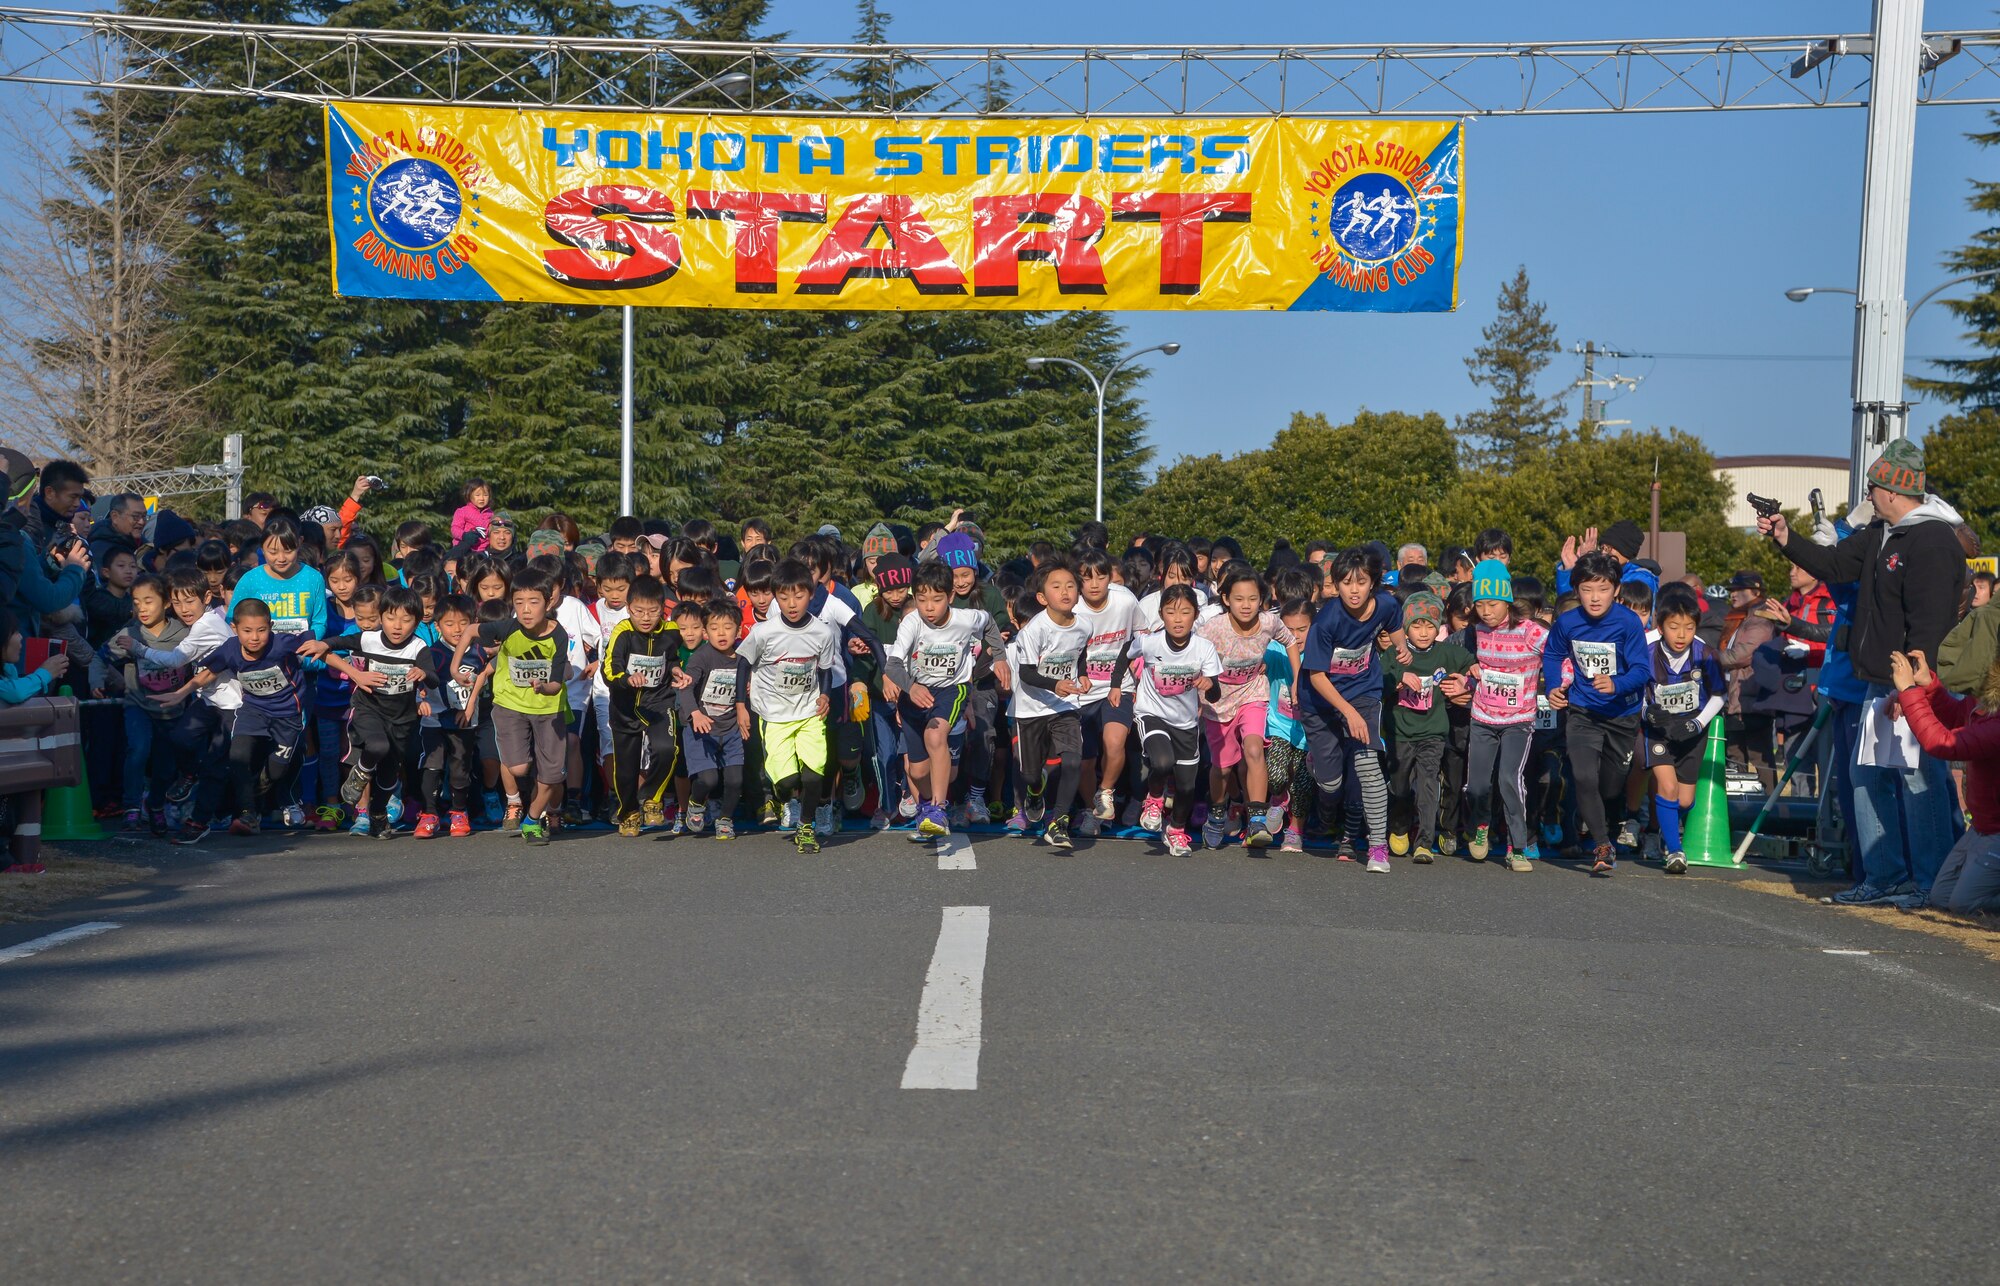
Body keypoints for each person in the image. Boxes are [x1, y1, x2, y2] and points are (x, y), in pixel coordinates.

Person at [1759, 438, 1968, 905]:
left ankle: (1930, 883)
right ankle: (1884, 875)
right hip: (1877, 679)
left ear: (1892, 490)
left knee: (1919, 778)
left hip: (1913, 681)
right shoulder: (1880, 533)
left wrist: (1916, 684)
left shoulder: (1932, 539)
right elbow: (1832, 564)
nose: (1867, 496)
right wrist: (1785, 537)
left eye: (1872, 487)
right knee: (1868, 775)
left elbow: (1930, 621)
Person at [1545, 551, 1652, 874]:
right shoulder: (1567, 622)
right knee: (1582, 776)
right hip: (1583, 710)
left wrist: (1617, 684)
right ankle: (1603, 844)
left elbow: (1642, 669)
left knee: (1609, 786)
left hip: (1622, 714)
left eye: (1603, 589)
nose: (1595, 597)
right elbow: (1552, 654)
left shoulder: (1627, 622)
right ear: (1576, 589)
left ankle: (1600, 819)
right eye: (1588, 589)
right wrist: (1553, 686)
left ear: (1616, 590)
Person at [882, 561, 1002, 845]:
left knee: (935, 735)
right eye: (922, 600)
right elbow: (893, 666)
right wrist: (911, 688)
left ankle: (938, 810)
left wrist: (1001, 657)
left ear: (950, 596)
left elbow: (990, 623)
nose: (929, 608)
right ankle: (926, 808)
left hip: (952, 689)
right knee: (917, 770)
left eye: (936, 600)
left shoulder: (966, 618)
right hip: (914, 694)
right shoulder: (911, 622)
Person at [1299, 546, 1404, 872]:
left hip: (1363, 692)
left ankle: (1377, 847)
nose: (1353, 590)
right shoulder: (1327, 620)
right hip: (1321, 700)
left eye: (1360, 582)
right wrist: (1348, 712)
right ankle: (1317, 763)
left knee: (1369, 765)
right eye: (1345, 583)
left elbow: (1394, 625)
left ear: (1373, 581)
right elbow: (1317, 677)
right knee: (1331, 785)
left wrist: (1402, 648)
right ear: (1336, 585)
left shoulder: (1386, 603)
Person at [310, 586, 434, 839]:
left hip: (402, 717)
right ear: (381, 617)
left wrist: (423, 674)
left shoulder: (418, 647)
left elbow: (433, 678)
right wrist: (321, 643)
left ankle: (378, 815)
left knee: (389, 772)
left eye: (406, 619)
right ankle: (360, 772)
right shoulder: (368, 638)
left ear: (417, 621)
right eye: (390, 618)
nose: (397, 626)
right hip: (369, 707)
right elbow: (336, 643)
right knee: (377, 746)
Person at [1109, 584, 1222, 857]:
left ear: (1195, 615)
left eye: (1185, 612)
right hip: (1152, 713)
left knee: (1186, 787)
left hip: (1185, 723)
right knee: (1162, 761)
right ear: (1162, 615)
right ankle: (1154, 798)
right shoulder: (1151, 642)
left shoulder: (1204, 648)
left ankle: (1176, 831)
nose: (1178, 618)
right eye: (1171, 612)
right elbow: (1126, 651)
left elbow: (1215, 694)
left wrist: (1208, 684)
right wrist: (1116, 685)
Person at [738, 558, 841, 855]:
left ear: (811, 594)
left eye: (798, 596)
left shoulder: (822, 632)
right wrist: (741, 706)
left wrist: (825, 695)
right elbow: (744, 664)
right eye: (783, 597)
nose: (791, 604)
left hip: (809, 711)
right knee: (787, 782)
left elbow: (824, 668)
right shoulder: (763, 632)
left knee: (813, 774)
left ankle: (805, 826)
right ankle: (784, 797)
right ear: (775, 597)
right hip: (774, 714)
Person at [1197, 564, 1300, 850]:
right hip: (1218, 701)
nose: (1246, 605)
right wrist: (1196, 695)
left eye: (1253, 599)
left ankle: (1257, 818)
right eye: (1239, 599)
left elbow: (1290, 641)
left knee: (1254, 748)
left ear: (1262, 600)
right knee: (1223, 768)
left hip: (1253, 692)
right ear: (1226, 599)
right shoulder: (1213, 628)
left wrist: (1297, 679)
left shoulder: (1269, 622)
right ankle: (1216, 816)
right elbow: (1194, 657)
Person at [1891, 648, 2000, 914]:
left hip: (1995, 831)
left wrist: (1908, 692)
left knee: (1963, 904)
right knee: (1942, 897)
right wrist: (1930, 687)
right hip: (1983, 828)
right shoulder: (1983, 703)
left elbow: (1942, 743)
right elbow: (1956, 717)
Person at [192, 599, 313, 836]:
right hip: (253, 710)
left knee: (276, 772)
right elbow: (207, 672)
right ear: (235, 629)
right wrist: (179, 693)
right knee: (238, 755)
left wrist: (354, 674)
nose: (254, 637)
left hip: (288, 715)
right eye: (247, 631)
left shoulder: (281, 644)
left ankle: (257, 803)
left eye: (261, 630)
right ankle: (247, 813)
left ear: (271, 626)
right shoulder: (230, 648)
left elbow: (314, 646)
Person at [1463, 559, 1548, 872]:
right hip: (1483, 716)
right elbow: (1463, 661)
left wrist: (1560, 683)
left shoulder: (1529, 631)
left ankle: (1517, 847)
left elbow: (1558, 655)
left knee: (1509, 780)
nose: (1486, 611)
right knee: (1477, 786)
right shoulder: (1476, 631)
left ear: (1508, 600)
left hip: (1518, 720)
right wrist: (1466, 674)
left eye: (1493, 603)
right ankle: (1481, 824)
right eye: (1480, 604)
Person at [478, 567, 573, 847]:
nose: (526, 610)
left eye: (533, 602)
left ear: (549, 602)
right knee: (519, 768)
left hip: (550, 708)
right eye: (519, 603)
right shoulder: (508, 627)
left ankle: (532, 820)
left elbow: (558, 680)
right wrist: (459, 663)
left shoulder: (559, 636)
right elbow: (475, 630)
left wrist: (543, 687)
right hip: (513, 705)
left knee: (553, 775)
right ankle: (520, 796)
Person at [1383, 590, 1475, 864]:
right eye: (1417, 625)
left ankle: (1424, 841)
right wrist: (1399, 678)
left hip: (1433, 731)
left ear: (1438, 628)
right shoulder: (1395, 653)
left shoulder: (1447, 652)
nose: (1423, 632)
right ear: (1406, 627)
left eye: (1429, 626)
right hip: (1400, 731)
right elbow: (1379, 680)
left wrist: (1469, 679)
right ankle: (1399, 827)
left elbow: (1470, 663)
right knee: (1400, 787)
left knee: (1427, 785)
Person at [1642, 584, 1726, 875]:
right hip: (1659, 730)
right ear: (1661, 626)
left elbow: (1719, 695)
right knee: (1666, 786)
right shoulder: (1647, 652)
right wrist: (1648, 712)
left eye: (1688, 628)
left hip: (1693, 729)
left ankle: (1668, 831)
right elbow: (1635, 691)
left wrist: (1697, 723)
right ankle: (1675, 851)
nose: (1681, 635)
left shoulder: (1706, 654)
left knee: (1685, 799)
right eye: (1674, 627)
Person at [1008, 560, 1091, 848]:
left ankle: (1058, 821)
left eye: (1070, 586)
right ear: (1042, 598)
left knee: (1072, 760)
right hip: (1031, 708)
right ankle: (1034, 791)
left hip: (1064, 706)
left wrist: (1082, 674)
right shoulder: (1035, 630)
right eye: (1056, 587)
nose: (1065, 592)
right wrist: (1056, 683)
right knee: (1031, 773)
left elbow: (1079, 653)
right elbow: (1027, 673)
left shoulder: (1084, 625)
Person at [601, 573, 681, 836]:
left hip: (657, 701)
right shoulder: (622, 632)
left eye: (652, 611)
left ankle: (651, 798)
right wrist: (627, 678)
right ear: (628, 608)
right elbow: (609, 669)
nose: (645, 618)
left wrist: (677, 671)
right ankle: (629, 812)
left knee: (667, 748)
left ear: (662, 610)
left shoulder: (671, 632)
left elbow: (673, 659)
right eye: (639, 611)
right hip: (625, 704)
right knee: (626, 768)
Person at [677, 599, 750, 841]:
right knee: (708, 779)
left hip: (730, 727)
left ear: (738, 630)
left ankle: (726, 819)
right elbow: (686, 688)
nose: (722, 633)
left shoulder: (743, 657)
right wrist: (695, 713)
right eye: (715, 627)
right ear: (706, 633)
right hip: (701, 728)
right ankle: (696, 802)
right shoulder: (701, 657)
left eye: (728, 627)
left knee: (735, 779)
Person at [419, 594, 487, 838]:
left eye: (463, 623)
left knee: (460, 767)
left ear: (474, 622)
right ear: (437, 626)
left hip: (465, 720)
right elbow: (421, 683)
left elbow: (482, 680)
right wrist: (422, 700)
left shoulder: (479, 652)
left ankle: (459, 812)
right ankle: (429, 814)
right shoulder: (430, 653)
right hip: (434, 720)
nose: (457, 629)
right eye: (449, 623)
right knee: (432, 766)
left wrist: (467, 710)